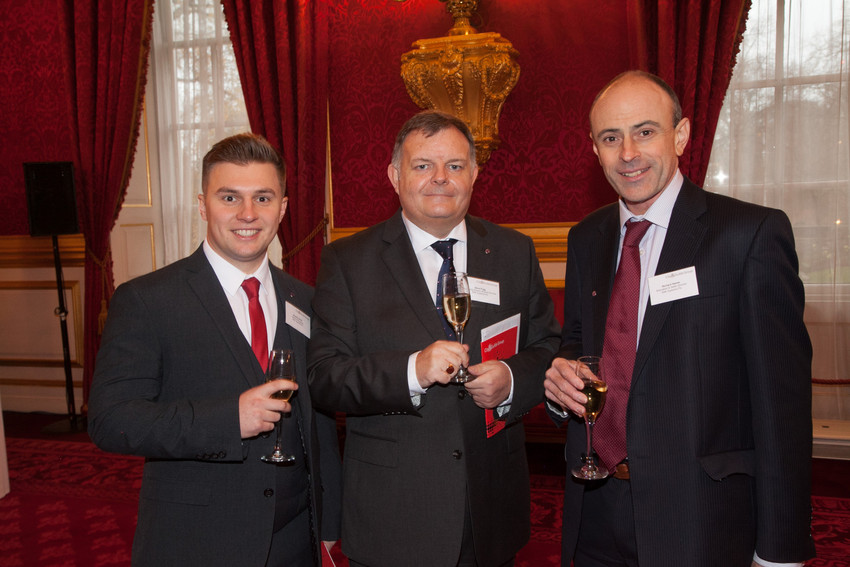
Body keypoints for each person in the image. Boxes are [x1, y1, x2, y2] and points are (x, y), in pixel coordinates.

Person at [544, 70, 815, 566]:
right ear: (594, 149)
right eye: (611, 137)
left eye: (645, 131)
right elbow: (581, 341)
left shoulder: (748, 234)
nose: (628, 152)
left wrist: (780, 550)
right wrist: (563, 380)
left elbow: (783, 409)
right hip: (595, 506)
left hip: (700, 516)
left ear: (682, 135)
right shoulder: (587, 237)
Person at [308, 110, 561, 567]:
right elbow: (325, 375)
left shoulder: (513, 252)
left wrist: (510, 379)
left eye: (455, 166)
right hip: (396, 510)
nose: (440, 178)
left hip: (492, 504)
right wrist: (412, 372)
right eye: (423, 165)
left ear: (475, 174)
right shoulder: (348, 261)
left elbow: (547, 347)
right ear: (394, 175)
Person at [88, 133, 342, 567]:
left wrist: (331, 524)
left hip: (295, 540)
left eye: (263, 198)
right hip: (197, 541)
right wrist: (228, 419)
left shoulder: (305, 299)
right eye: (230, 197)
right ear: (203, 204)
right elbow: (112, 420)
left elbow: (317, 424)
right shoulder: (148, 300)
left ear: (282, 208)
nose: (247, 214)